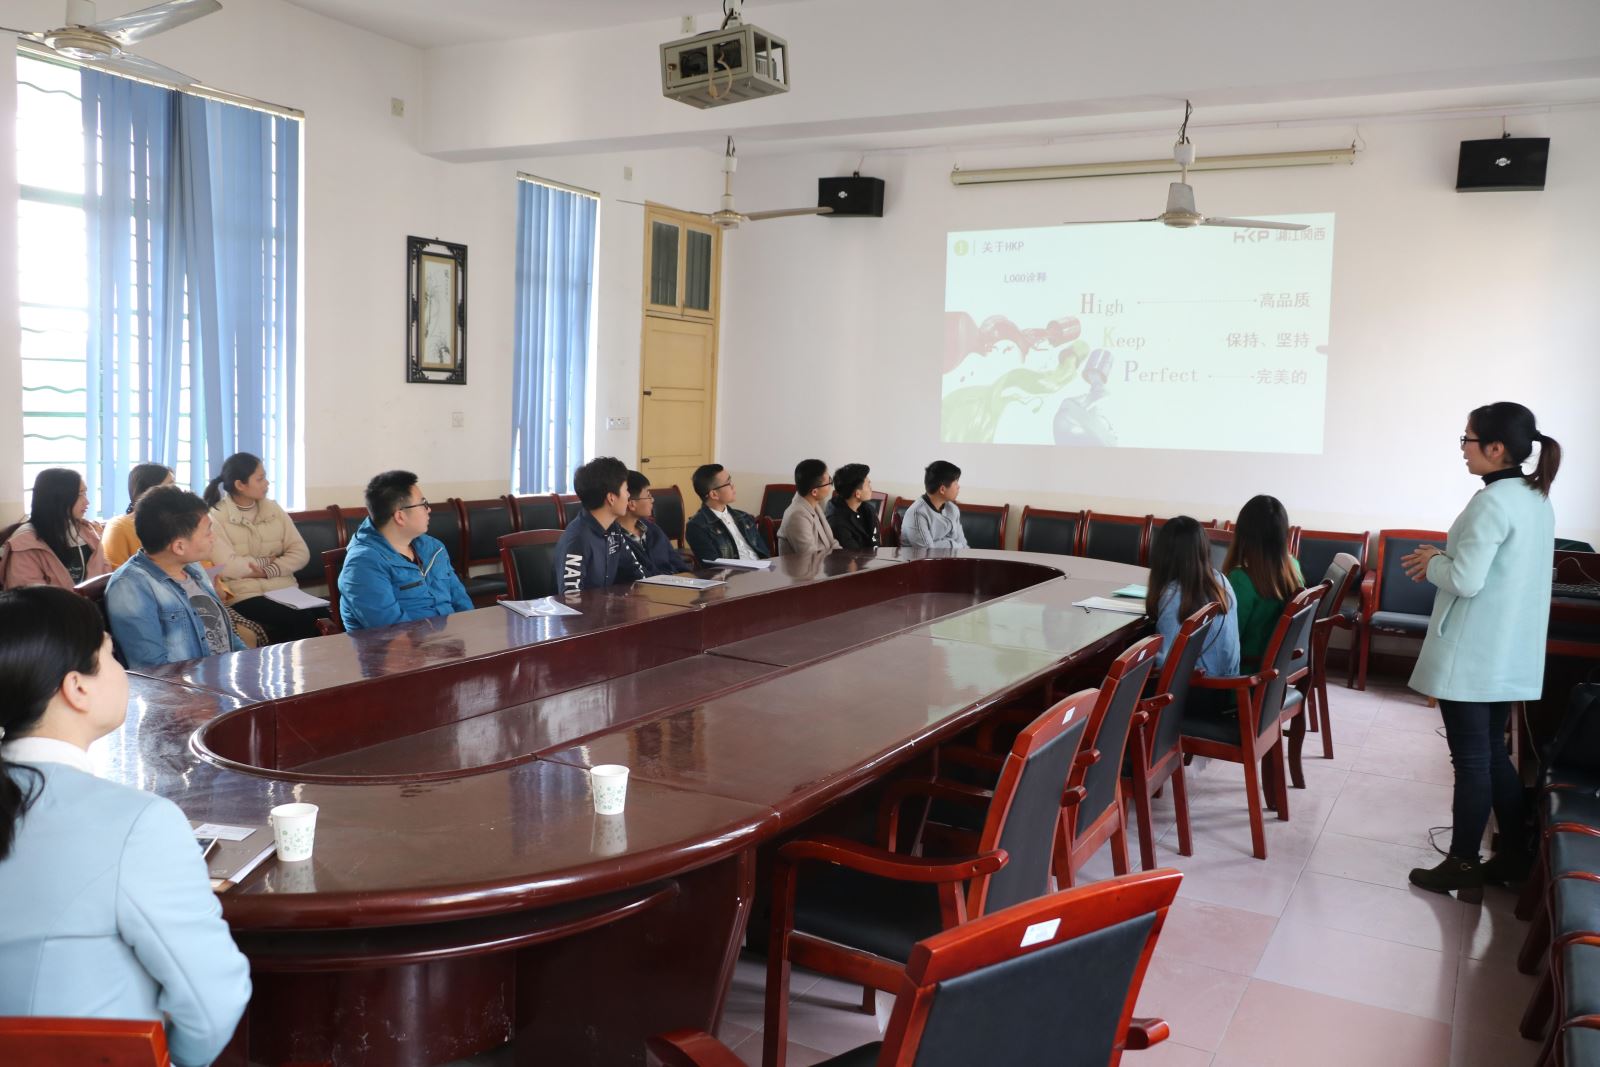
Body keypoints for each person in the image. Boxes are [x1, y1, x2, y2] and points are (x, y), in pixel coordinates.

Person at [0, 587, 250, 1065]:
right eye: (110, 654)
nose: (121, 670)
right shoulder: (136, 824)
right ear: (77, 688)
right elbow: (213, 1000)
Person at [1405, 403, 1560, 898]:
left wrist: (1433, 561)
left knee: (1472, 760)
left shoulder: (1493, 502)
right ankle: (1513, 854)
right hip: (1504, 652)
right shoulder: (1535, 498)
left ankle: (1463, 861)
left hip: (1471, 656)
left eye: (1467, 440)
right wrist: (1444, 559)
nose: (1463, 449)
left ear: (1495, 448)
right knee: (1492, 754)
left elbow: (1466, 581)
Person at [105, 487, 244, 669]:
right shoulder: (130, 587)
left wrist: (249, 664)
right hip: (187, 685)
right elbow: (151, 669)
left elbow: (226, 636)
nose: (214, 538)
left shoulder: (193, 568)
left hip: (224, 676)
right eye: (208, 532)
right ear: (179, 547)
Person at [203, 452, 326, 643]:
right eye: (260, 479)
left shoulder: (274, 509)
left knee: (324, 616)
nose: (267, 483)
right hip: (244, 594)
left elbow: (301, 552)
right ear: (240, 485)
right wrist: (265, 561)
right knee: (299, 621)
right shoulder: (216, 516)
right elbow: (227, 566)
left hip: (284, 589)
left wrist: (268, 570)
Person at [338, 471, 473, 632]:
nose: (429, 510)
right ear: (400, 516)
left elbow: (462, 603)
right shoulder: (362, 564)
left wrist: (470, 634)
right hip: (399, 647)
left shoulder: (434, 547)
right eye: (423, 504)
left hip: (449, 641)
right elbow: (393, 633)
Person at [1144, 516, 1240, 679]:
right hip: (1228, 682)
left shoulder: (1174, 596)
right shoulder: (1221, 580)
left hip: (1197, 687)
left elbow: (1165, 664)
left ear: (1162, 554)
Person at [1222, 495, 1305, 669]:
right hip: (1275, 671)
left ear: (1243, 535)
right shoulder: (1293, 567)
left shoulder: (1241, 579)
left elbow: (1227, 639)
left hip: (1243, 673)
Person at [0, 468, 110, 589]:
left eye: (85, 493)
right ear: (57, 498)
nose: (87, 502)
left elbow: (105, 576)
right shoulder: (25, 543)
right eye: (79, 494)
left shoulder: (87, 531)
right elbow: (28, 596)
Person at [553, 457, 646, 595]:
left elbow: (636, 574)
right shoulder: (578, 539)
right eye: (626, 490)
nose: (628, 495)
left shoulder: (613, 529)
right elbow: (571, 597)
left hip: (607, 606)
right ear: (611, 498)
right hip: (583, 609)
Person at [685, 464, 769, 565]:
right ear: (714, 494)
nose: (732, 486)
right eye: (728, 483)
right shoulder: (697, 527)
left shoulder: (744, 517)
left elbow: (765, 554)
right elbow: (713, 566)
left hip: (763, 569)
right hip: (735, 573)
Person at [617, 470, 691, 577]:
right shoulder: (615, 539)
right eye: (648, 495)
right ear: (632, 504)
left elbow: (677, 562)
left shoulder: (652, 528)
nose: (652, 500)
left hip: (672, 583)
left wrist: (688, 578)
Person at [101, 463, 173, 568]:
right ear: (149, 491)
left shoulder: (174, 524)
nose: (177, 492)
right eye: (170, 486)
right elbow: (116, 573)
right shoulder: (119, 527)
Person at [777, 459, 842, 555]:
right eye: (829, 482)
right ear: (814, 492)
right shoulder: (797, 515)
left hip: (824, 562)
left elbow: (832, 542)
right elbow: (810, 556)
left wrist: (843, 557)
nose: (831, 486)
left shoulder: (815, 506)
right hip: (806, 564)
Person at [900, 460, 969, 550]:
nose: (958, 486)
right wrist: (952, 544)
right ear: (942, 489)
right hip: (919, 559)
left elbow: (964, 546)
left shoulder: (952, 509)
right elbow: (928, 552)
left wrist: (941, 544)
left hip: (950, 558)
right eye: (956, 482)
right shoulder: (917, 514)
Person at [826, 463, 880, 551]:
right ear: (857, 494)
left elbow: (875, 540)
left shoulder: (868, 509)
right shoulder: (837, 522)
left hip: (871, 557)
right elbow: (853, 553)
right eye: (868, 485)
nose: (871, 488)